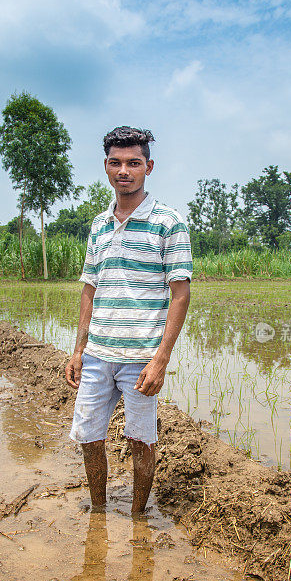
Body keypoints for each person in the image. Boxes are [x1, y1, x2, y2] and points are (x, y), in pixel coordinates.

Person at [65, 126, 192, 514]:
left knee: (142, 438)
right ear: (105, 166)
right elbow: (90, 288)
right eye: (116, 163)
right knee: (88, 435)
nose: (125, 171)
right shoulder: (98, 226)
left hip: (141, 358)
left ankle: (139, 515)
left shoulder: (168, 222)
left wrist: (161, 360)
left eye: (133, 163)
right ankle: (98, 510)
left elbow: (180, 294)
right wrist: (78, 350)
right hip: (98, 355)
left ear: (148, 167)